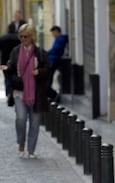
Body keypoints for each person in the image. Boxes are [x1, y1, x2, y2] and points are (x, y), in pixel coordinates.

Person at [1, 24, 50, 159]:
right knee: (21, 119)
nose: (23, 39)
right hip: (19, 92)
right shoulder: (16, 51)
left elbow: (47, 68)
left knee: (35, 123)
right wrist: (7, 68)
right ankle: (21, 142)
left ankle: (31, 150)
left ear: (32, 36)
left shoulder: (39, 53)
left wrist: (39, 71)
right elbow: (12, 65)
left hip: (36, 93)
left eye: (26, 36)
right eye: (21, 36)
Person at [47, 25, 68, 102]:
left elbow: (55, 50)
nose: (52, 34)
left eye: (53, 32)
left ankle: (54, 95)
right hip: (54, 60)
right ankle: (52, 94)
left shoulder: (60, 40)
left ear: (56, 31)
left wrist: (46, 53)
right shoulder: (58, 39)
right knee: (49, 78)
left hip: (54, 60)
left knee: (49, 78)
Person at [0, 25, 21, 103]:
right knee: (15, 77)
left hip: (5, 61)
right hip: (16, 60)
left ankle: (9, 93)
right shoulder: (18, 38)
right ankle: (14, 91)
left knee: (7, 78)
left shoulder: (3, 38)